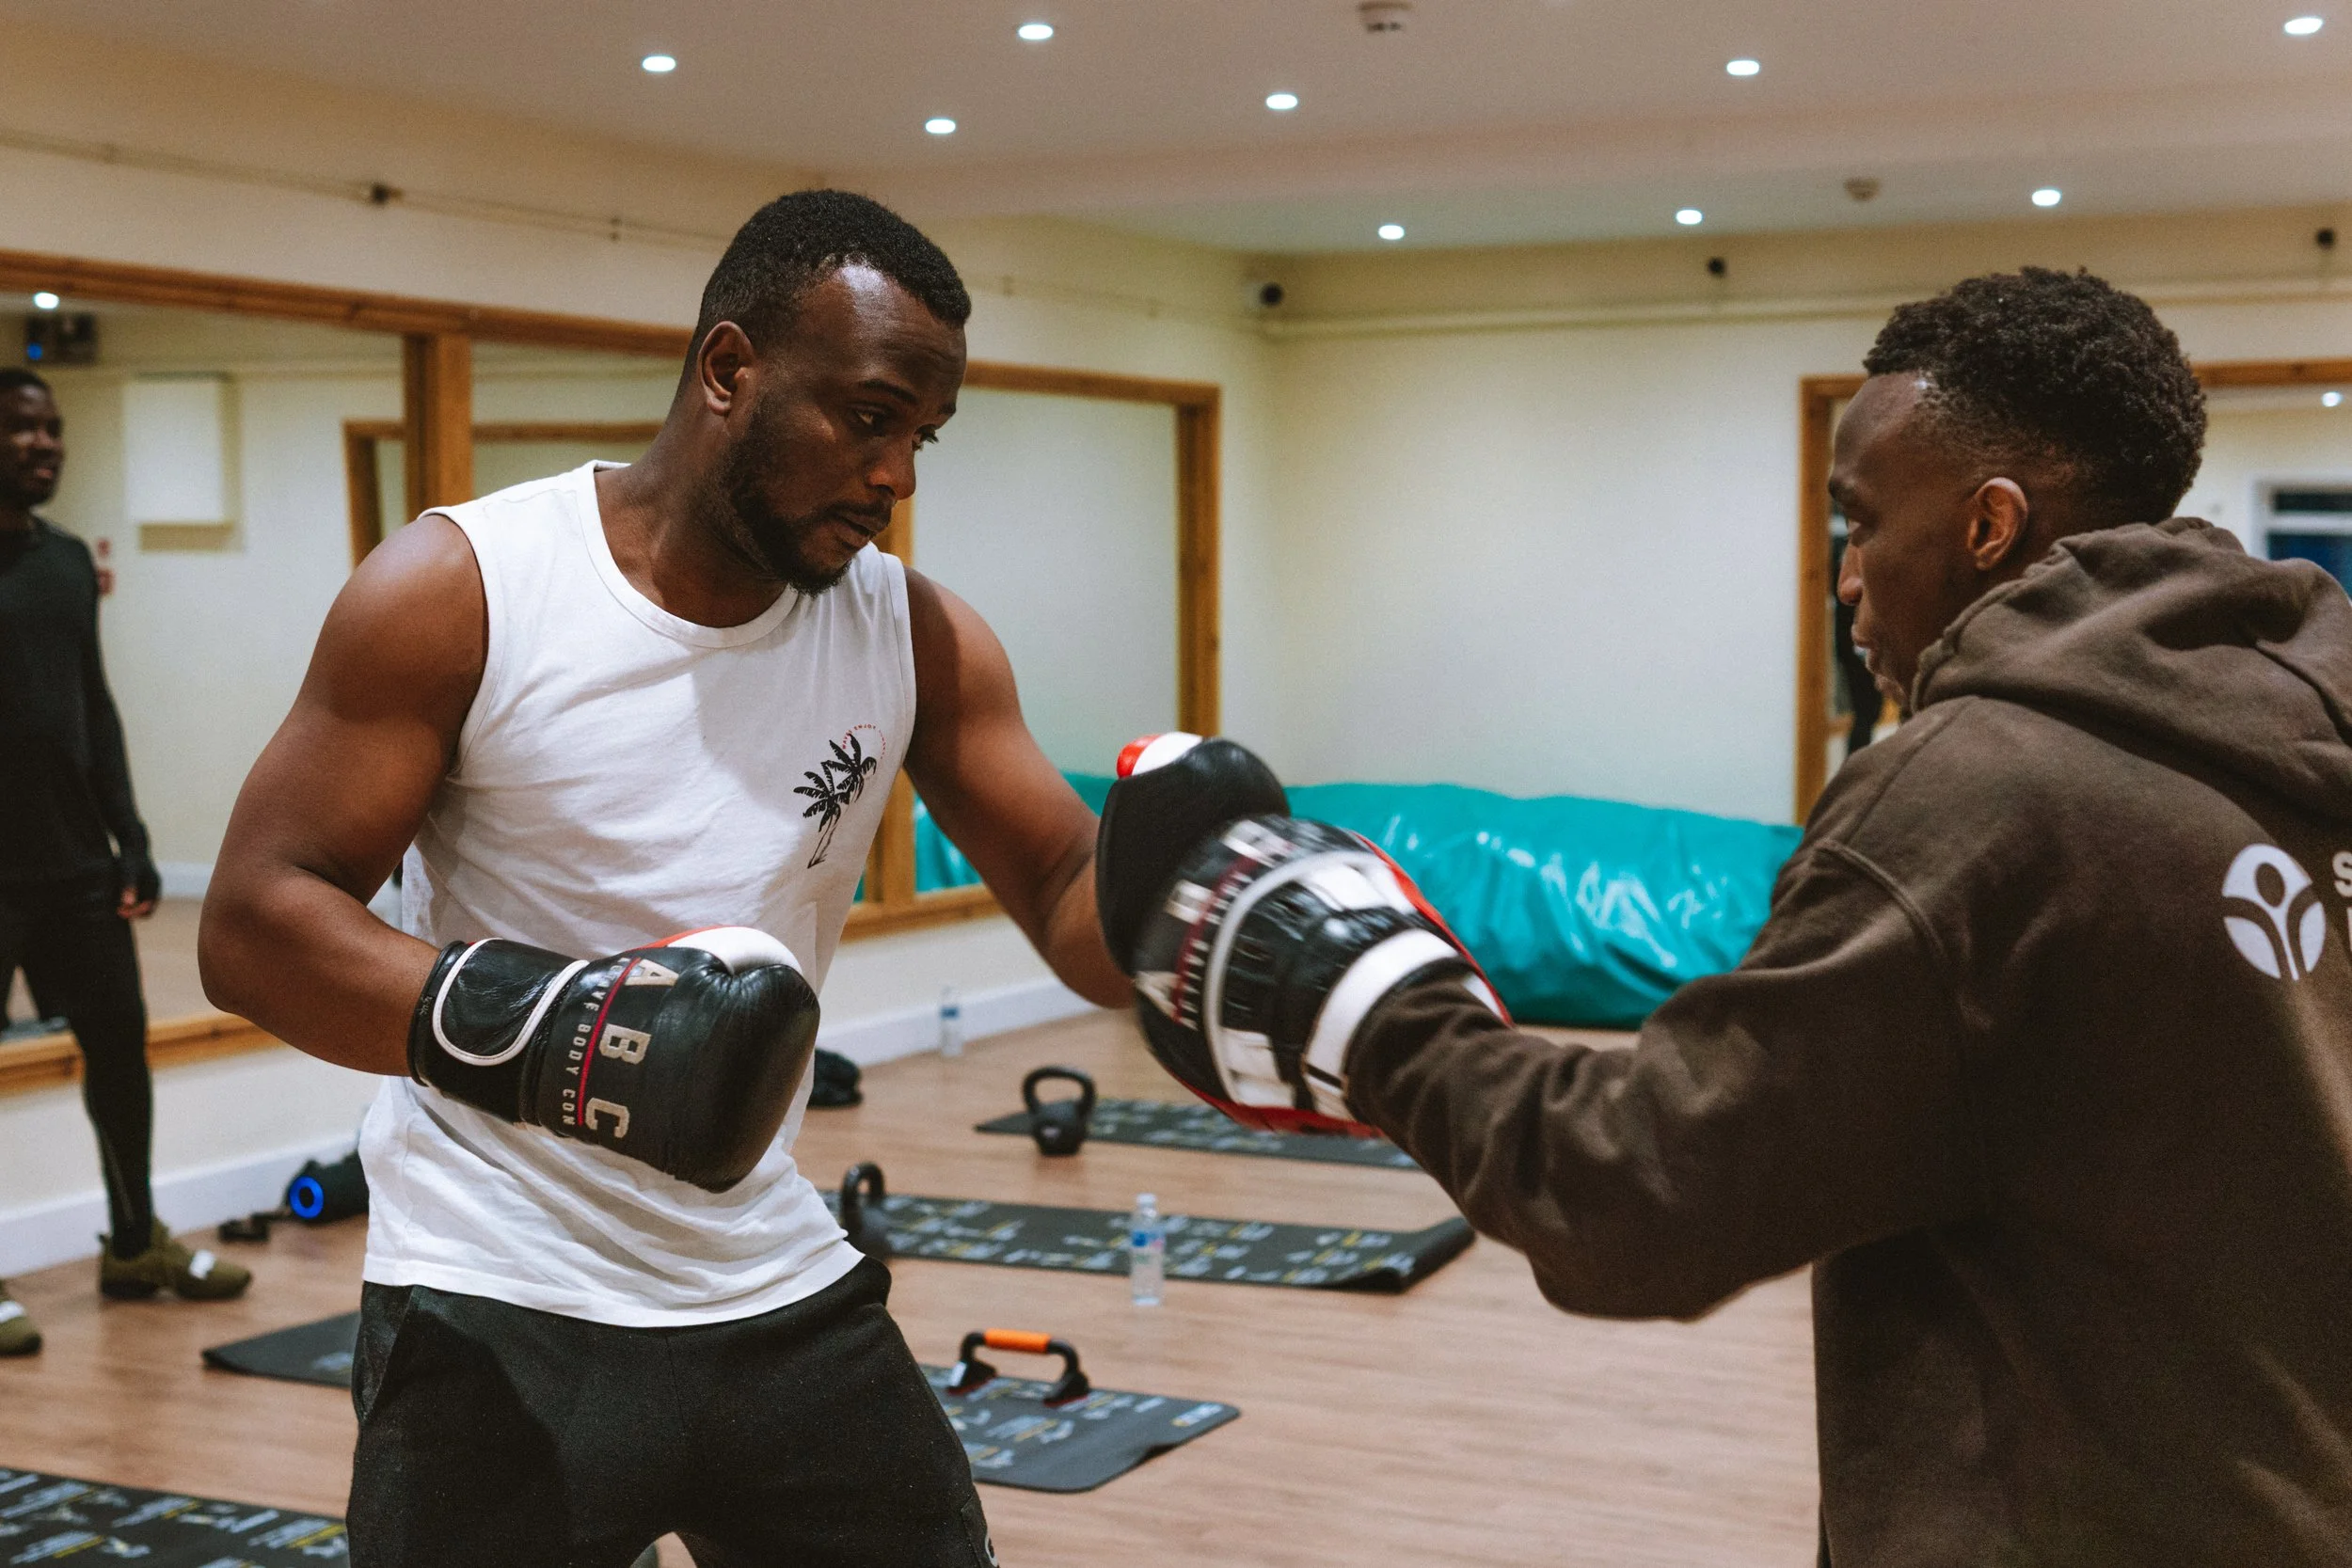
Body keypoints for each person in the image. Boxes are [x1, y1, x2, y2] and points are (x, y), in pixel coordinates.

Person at [1100, 268, 2352, 1564]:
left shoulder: (1984, 794)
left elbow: (1640, 1194)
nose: (1848, 581)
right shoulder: (2306, 734)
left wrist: (1365, 995)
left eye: (1860, 526)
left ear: (1989, 525)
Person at [200, 190, 1139, 1567]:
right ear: (728, 369)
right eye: (869, 416)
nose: (897, 476)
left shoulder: (918, 634)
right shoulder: (466, 591)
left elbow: (1064, 877)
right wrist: (567, 1033)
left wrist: (1218, 914)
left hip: (766, 1267)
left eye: (921, 436)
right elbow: (254, 922)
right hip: (497, 1287)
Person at [0, 368, 250, 1359]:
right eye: (23, 429)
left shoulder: (65, 564)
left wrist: (132, 834)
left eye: (53, 428)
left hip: (73, 867)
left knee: (120, 1052)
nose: (45, 443)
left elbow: (91, 710)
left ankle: (136, 1240)